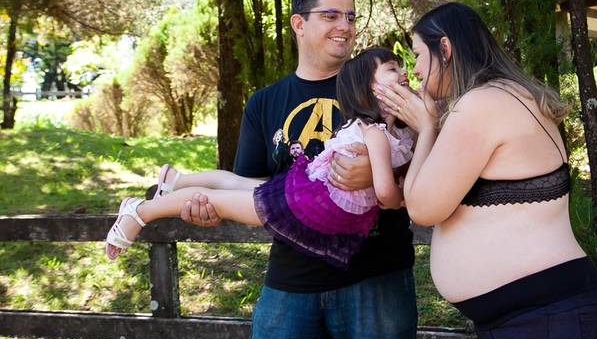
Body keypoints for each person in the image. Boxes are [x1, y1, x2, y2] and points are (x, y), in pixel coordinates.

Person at [179, 0, 416, 339]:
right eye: (331, 15)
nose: (345, 26)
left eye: (351, 17)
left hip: (377, 277)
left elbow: (425, 160)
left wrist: (378, 174)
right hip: (291, 280)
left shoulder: (380, 88)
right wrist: (209, 206)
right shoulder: (263, 102)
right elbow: (253, 189)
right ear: (299, 23)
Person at [375, 2, 597, 339]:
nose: (416, 71)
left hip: (543, 325)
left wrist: (425, 127)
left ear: (445, 48)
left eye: (418, 56)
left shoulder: (481, 104)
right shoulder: (506, 94)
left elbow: (423, 209)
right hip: (537, 322)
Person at [104, 47, 415, 270]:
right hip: (305, 203)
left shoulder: (395, 134)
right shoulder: (374, 132)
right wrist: (405, 198)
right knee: (219, 199)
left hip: (309, 192)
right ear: (369, 88)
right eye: (392, 68)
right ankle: (140, 210)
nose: (404, 73)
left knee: (238, 185)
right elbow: (386, 195)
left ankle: (176, 181)